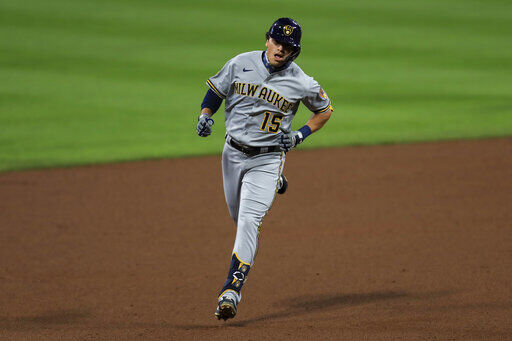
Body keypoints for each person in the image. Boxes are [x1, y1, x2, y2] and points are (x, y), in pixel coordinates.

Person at [196, 17, 333, 321]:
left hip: (268, 157)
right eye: (277, 42)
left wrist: (300, 134)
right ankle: (275, 183)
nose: (281, 49)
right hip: (232, 154)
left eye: (289, 46)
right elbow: (216, 92)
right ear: (267, 40)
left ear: (295, 52)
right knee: (237, 217)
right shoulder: (239, 63)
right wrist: (206, 114)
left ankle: (231, 289)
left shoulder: (302, 82)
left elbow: (325, 110)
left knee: (248, 221)